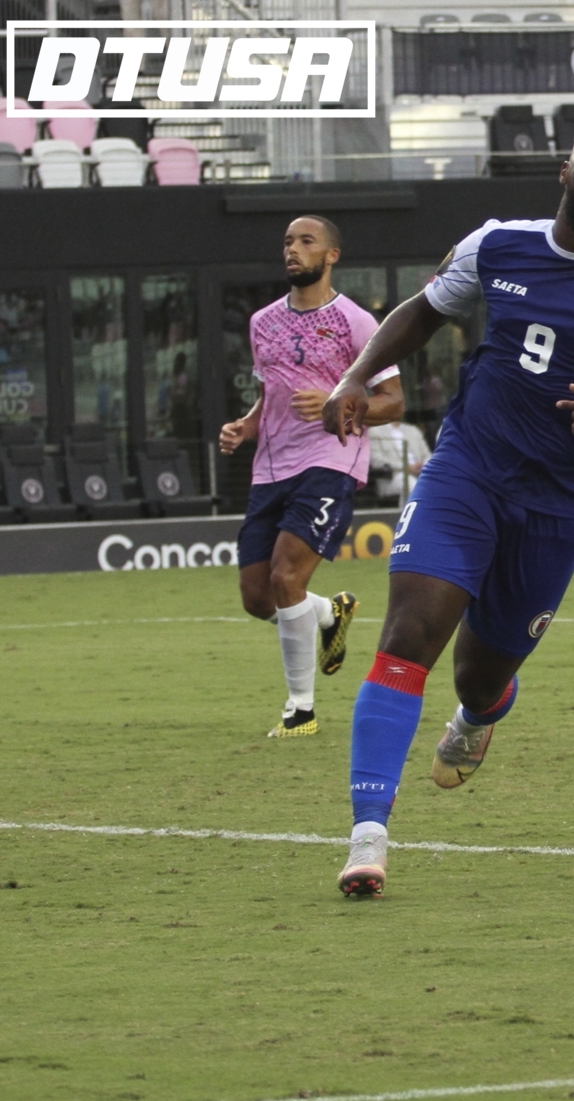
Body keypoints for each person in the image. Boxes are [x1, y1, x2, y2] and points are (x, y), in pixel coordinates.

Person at [318, 122, 574, 898]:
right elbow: (423, 311)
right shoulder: (496, 245)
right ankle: (368, 837)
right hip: (466, 469)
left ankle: (479, 716)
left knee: (479, 672)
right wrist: (358, 374)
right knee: (408, 634)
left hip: (556, 503)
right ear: (565, 169)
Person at [217, 215, 400, 739]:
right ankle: (328, 614)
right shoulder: (262, 322)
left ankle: (301, 709)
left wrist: (339, 402)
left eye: (305, 242)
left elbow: (393, 402)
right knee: (257, 597)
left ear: (332, 255)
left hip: (330, 461)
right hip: (270, 468)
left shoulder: (358, 324)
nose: (293, 250)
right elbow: (268, 396)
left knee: (286, 578)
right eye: (288, 243)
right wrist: (245, 426)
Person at [368, 418, 431, 499]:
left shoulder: (413, 430)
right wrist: (405, 467)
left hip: (421, 473)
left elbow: (427, 455)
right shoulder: (375, 431)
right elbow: (376, 461)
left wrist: (424, 467)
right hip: (393, 477)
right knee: (413, 487)